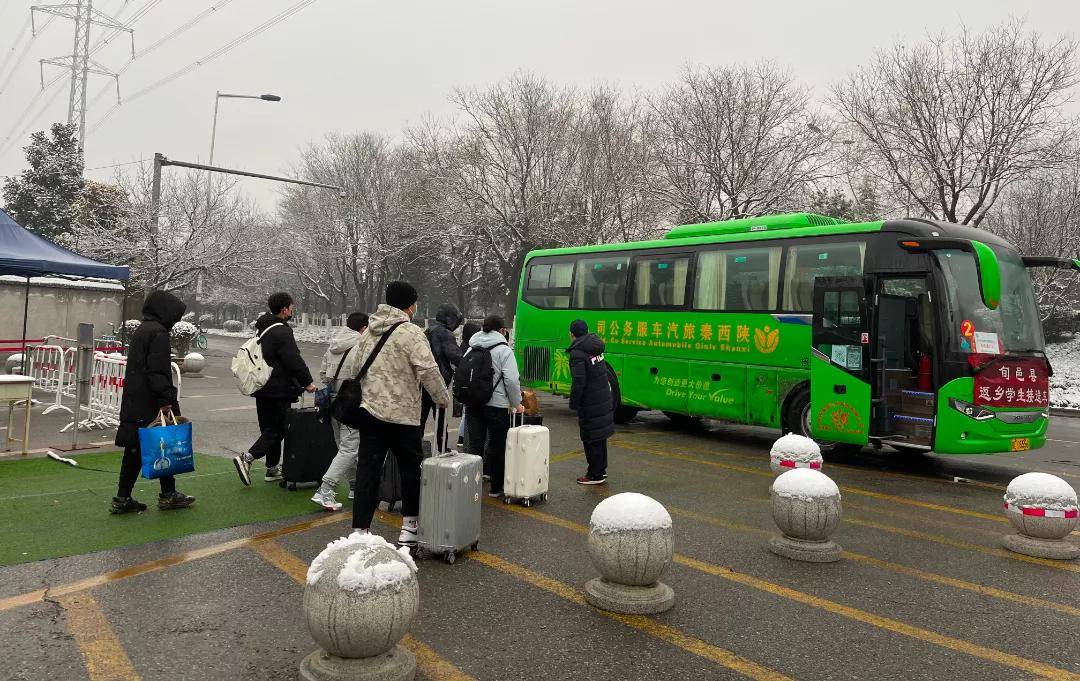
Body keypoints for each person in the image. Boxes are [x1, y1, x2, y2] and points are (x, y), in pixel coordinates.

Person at [351, 281, 450, 545]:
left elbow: (355, 368)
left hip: (370, 412)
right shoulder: (411, 332)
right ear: (410, 305)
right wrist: (442, 398)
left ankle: (360, 530)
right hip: (403, 415)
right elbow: (428, 370)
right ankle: (409, 527)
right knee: (410, 469)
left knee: (368, 470)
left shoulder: (369, 331)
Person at [112, 290, 195, 513]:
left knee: (137, 448)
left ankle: (123, 497)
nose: (175, 320)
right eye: (175, 315)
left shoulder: (143, 329)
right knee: (163, 443)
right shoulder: (158, 333)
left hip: (136, 399)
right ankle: (167, 494)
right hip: (151, 401)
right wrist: (166, 400)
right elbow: (157, 371)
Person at [233, 292, 316, 486]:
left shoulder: (263, 328)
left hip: (262, 386)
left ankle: (271, 468)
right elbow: (293, 359)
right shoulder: (282, 331)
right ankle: (247, 458)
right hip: (279, 388)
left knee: (268, 428)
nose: (293, 310)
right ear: (284, 309)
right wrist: (307, 382)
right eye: (291, 307)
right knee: (279, 429)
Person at [311, 311, 368, 511]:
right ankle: (325, 490)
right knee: (350, 448)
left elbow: (323, 375)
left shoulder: (334, 344)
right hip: (351, 403)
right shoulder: (361, 346)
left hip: (332, 402)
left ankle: (354, 486)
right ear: (363, 328)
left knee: (344, 447)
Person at [462, 314, 523, 498]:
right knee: (497, 446)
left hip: (474, 403)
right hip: (497, 405)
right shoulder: (504, 350)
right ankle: (496, 488)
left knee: (475, 446)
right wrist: (516, 403)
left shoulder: (472, 347)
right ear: (502, 330)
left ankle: (471, 485)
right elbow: (511, 380)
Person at [567, 320, 615, 485]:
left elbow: (579, 381)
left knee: (590, 436)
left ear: (572, 334)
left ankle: (594, 474)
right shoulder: (595, 346)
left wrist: (574, 403)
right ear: (587, 331)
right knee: (599, 436)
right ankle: (600, 469)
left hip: (590, 401)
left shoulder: (578, 353)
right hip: (602, 397)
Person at [421, 303, 463, 451]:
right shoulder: (445, 333)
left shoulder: (428, 331)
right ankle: (443, 448)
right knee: (440, 417)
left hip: (423, 380)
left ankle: (417, 447)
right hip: (438, 380)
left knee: (421, 417)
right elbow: (455, 356)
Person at [456, 320, 481, 450]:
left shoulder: (463, 346)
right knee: (467, 412)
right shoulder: (469, 348)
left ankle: (462, 437)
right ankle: (462, 437)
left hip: (462, 385)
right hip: (468, 385)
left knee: (465, 412)